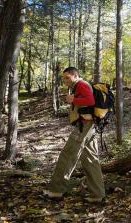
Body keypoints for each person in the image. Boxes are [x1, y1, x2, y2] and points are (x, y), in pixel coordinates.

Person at [43, 67, 105, 203]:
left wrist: (73, 100)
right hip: (89, 126)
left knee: (68, 155)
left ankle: (55, 191)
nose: (65, 81)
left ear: (75, 75)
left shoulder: (81, 84)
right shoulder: (80, 85)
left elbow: (90, 101)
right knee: (91, 160)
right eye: (64, 78)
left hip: (85, 126)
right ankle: (98, 195)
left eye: (67, 77)